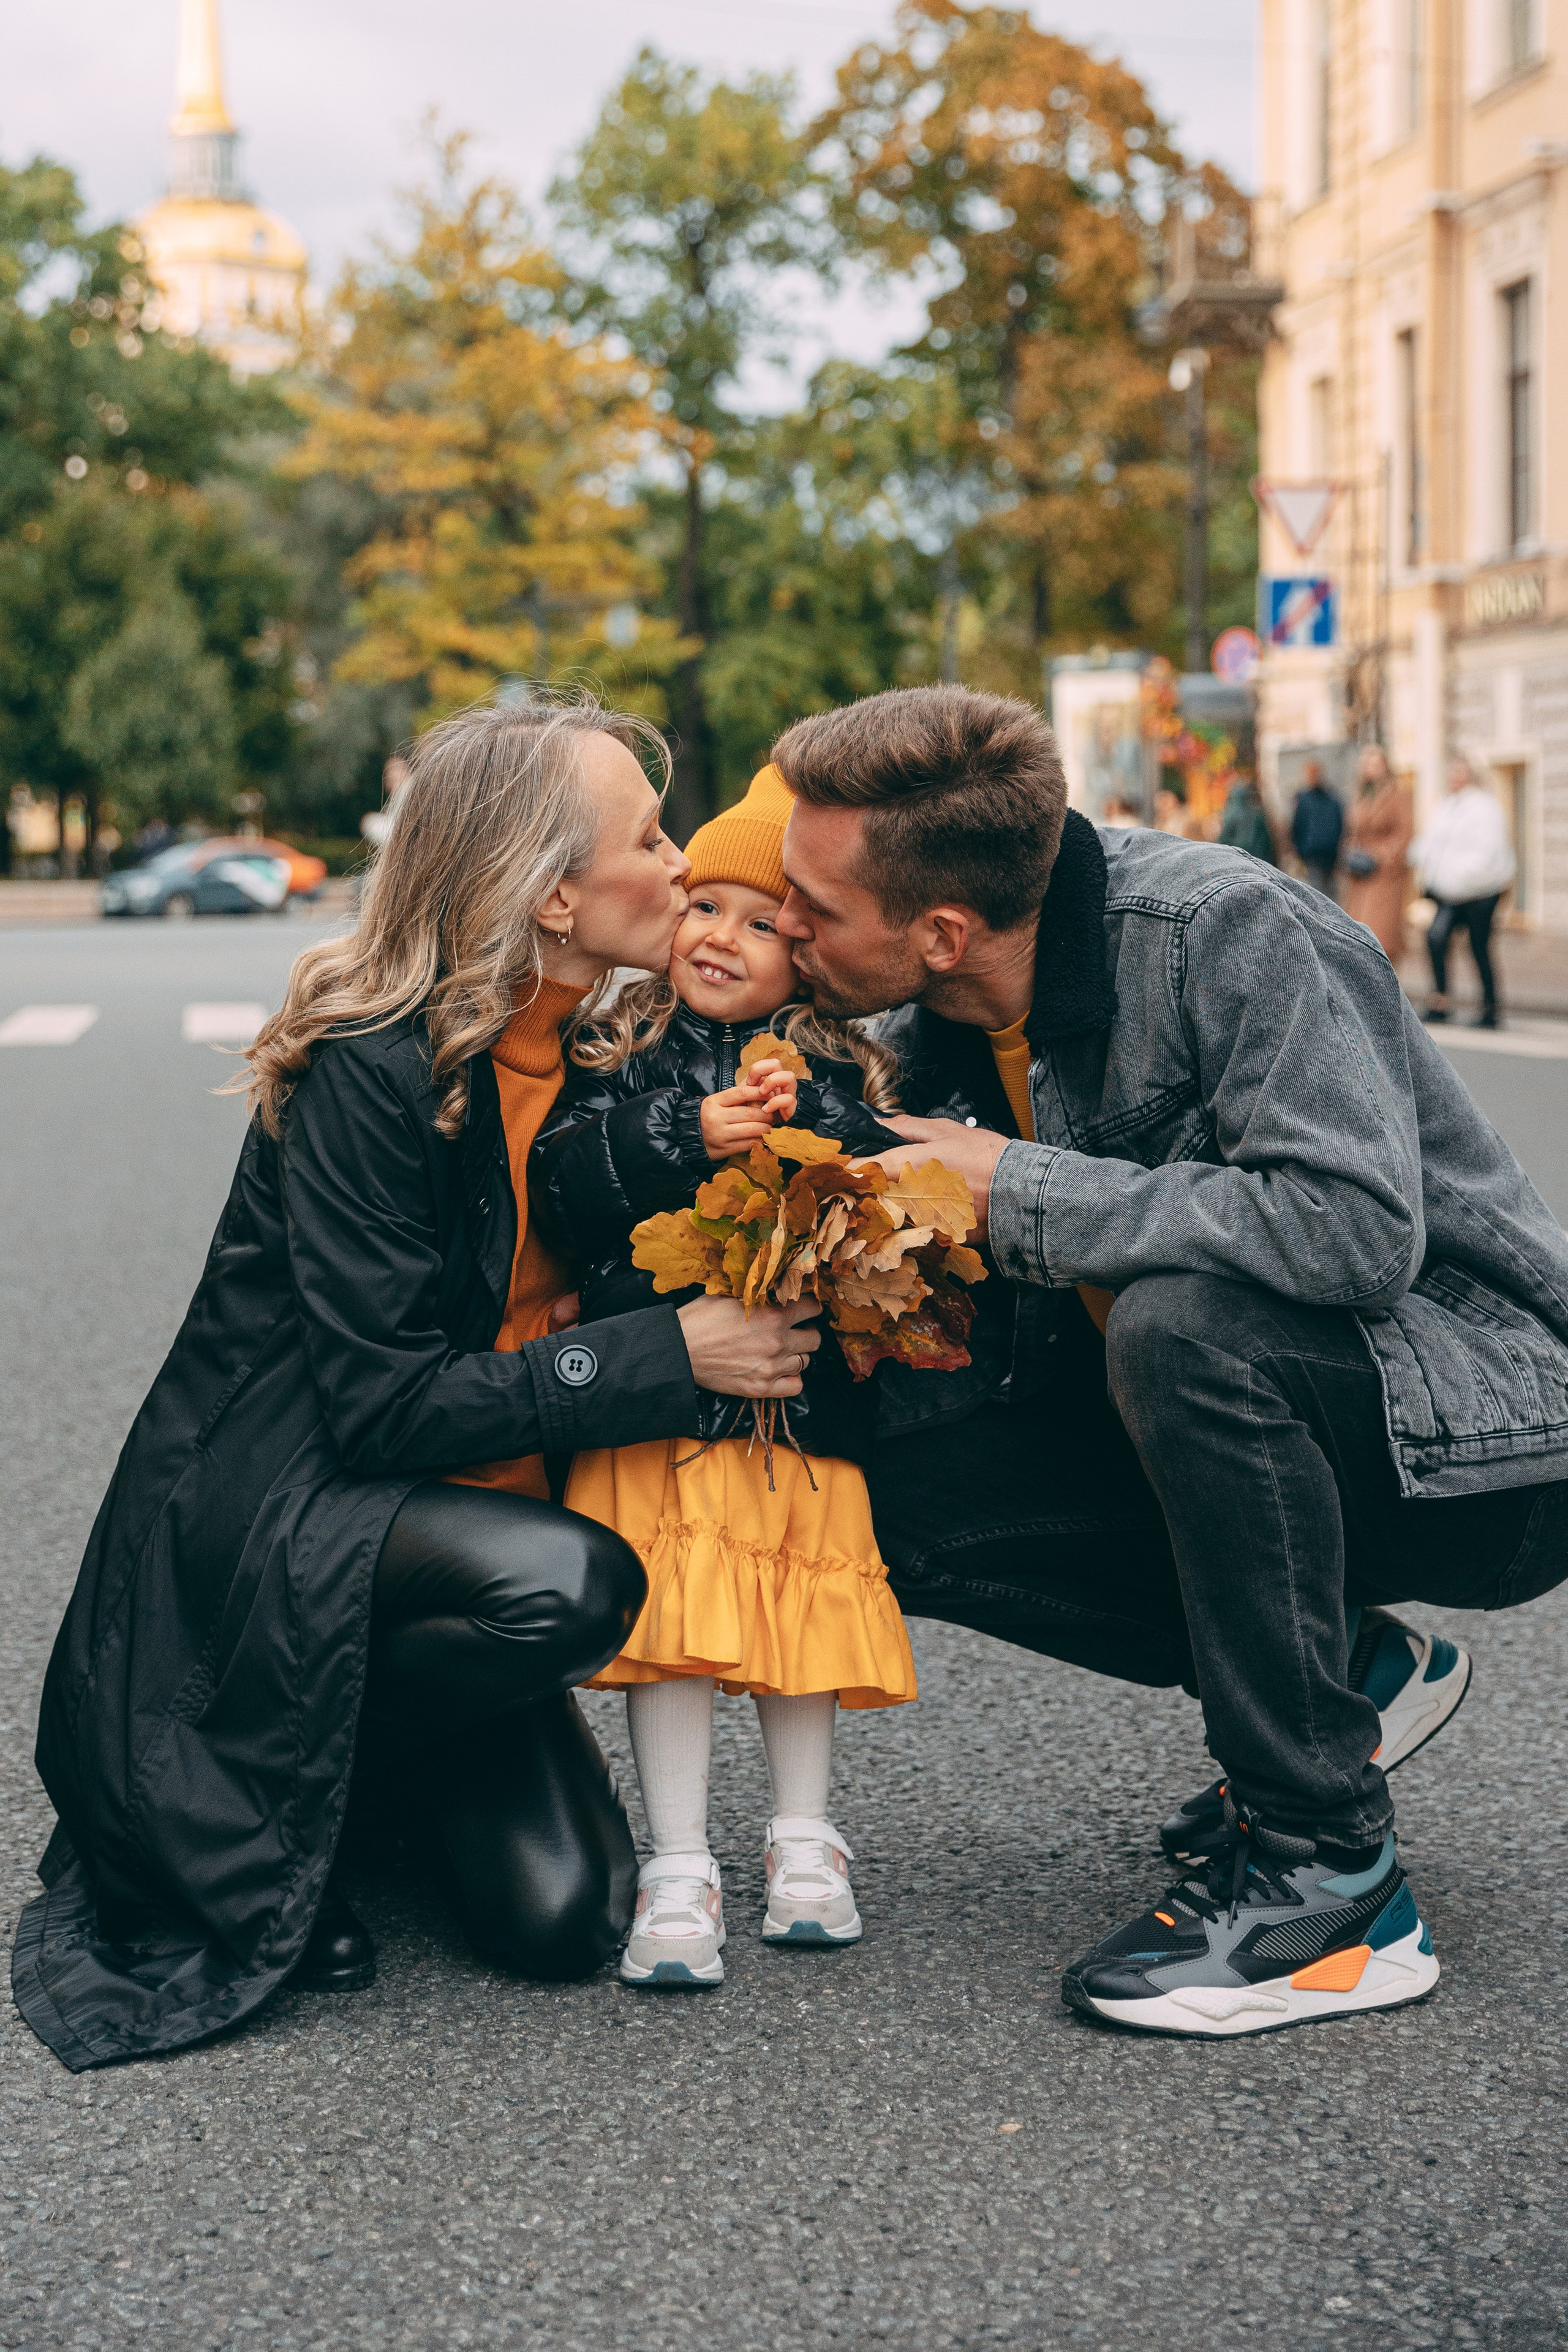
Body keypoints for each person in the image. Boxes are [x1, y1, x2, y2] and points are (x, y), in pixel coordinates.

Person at [13, 695, 823, 2071]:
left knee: (564, 1923)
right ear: (553, 895)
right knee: (572, 1586)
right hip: (288, 1517)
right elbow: (382, 1408)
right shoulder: (373, 1068)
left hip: (442, 1526)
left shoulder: (595, 1052)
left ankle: (345, 1785)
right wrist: (665, 1353)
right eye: (651, 834)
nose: (686, 861)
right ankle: (241, 1787)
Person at [769, 683, 1568, 2039]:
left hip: (1477, 1443)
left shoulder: (1225, 931)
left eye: (810, 907)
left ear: (941, 930)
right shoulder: (923, 1022)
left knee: (1182, 1323)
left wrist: (1014, 1183)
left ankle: (1333, 1886)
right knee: (859, 1460)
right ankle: (1344, 1676)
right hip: (1253, 1438)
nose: (783, 922)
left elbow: (1351, 1236)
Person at [530, 765, 912, 1987]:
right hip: (657, 1412)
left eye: (762, 925)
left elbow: (878, 1199)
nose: (722, 940)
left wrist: (814, 1133)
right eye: (706, 907)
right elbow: (568, 1182)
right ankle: (678, 1859)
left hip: (796, 1418)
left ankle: (804, 1840)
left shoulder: (828, 1071)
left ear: (804, 958)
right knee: (676, 1638)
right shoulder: (620, 1052)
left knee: (794, 1630)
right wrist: (687, 1133)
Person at [1409, 756, 1516, 1030]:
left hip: (1480, 892)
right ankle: (1441, 1001)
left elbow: (1488, 852)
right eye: (1452, 774)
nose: (1455, 779)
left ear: (1471, 777)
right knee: (1436, 938)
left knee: (1479, 947)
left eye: (1460, 774)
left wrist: (1459, 878)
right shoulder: (1446, 806)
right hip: (1448, 893)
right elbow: (1430, 843)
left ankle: (1491, 1007)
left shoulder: (1485, 807)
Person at [1341, 746, 1412, 965]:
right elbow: (1352, 831)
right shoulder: (1361, 796)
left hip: (1386, 874)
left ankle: (1386, 986)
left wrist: (1381, 856)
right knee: (1357, 932)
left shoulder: (1398, 795)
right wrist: (1351, 853)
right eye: (1367, 765)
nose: (1371, 770)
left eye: (1376, 764)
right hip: (1359, 873)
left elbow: (1406, 833)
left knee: (1382, 933)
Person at [1289, 758, 1343, 896]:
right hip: (1312, 856)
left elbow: (1339, 825)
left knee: (1329, 894)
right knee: (1318, 894)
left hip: (1330, 855)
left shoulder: (1332, 798)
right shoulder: (1302, 799)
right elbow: (1297, 827)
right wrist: (1301, 851)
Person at [1216, 772, 1277, 865]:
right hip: (1259, 858)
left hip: (1238, 858)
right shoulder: (1257, 814)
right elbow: (1266, 840)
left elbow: (1224, 839)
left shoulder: (1230, 815)